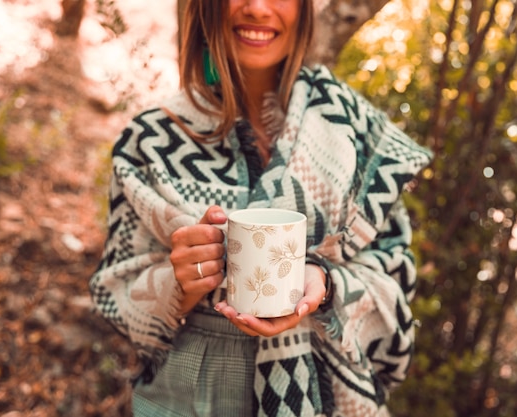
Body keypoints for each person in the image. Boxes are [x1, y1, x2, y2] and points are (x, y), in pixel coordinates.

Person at [89, 0, 433, 416]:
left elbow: (396, 278)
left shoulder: (358, 132)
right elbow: (114, 293)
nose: (256, 7)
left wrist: (325, 284)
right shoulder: (150, 138)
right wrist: (177, 282)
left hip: (331, 398)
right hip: (188, 396)